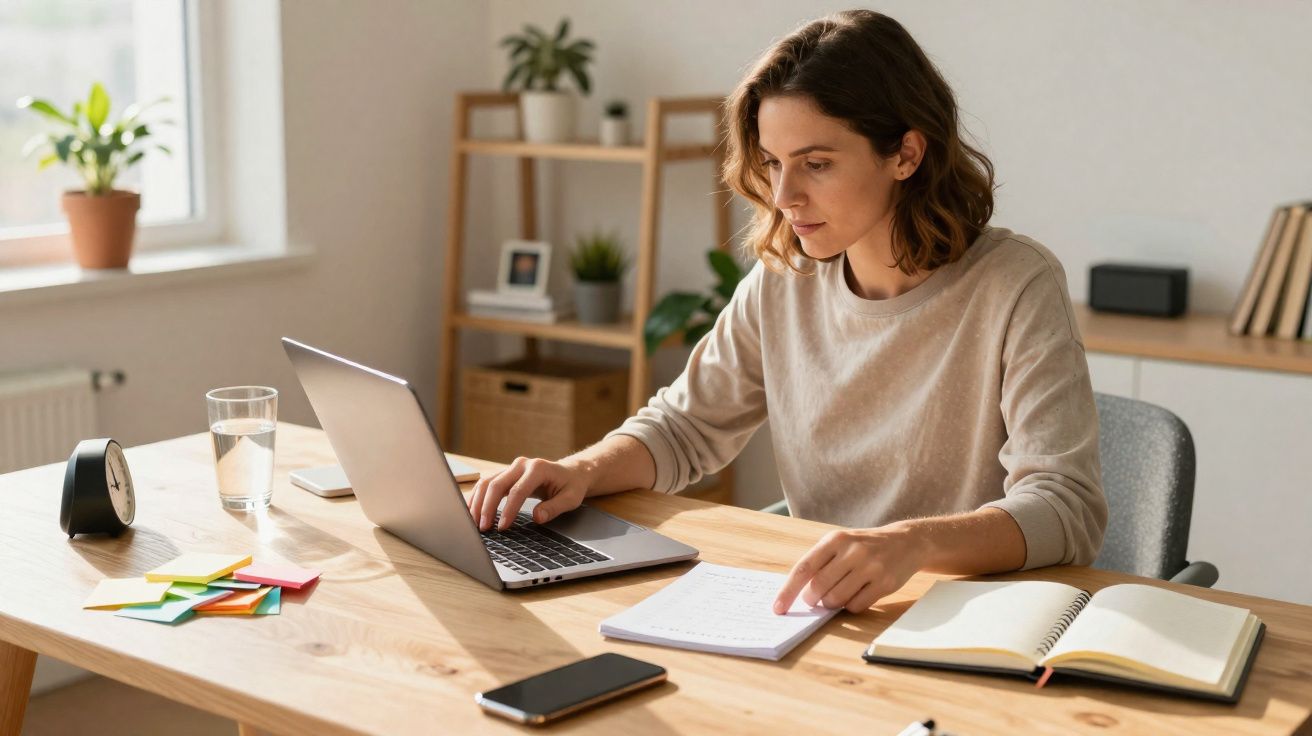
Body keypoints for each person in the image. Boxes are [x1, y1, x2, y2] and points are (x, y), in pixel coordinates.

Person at [466, 9, 1106, 615]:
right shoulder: (785, 279)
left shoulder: (1015, 284)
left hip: (967, 620)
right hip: (824, 611)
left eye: (816, 164)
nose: (783, 196)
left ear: (907, 154)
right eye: (773, 163)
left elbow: (1066, 509)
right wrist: (580, 470)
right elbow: (685, 428)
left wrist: (911, 542)